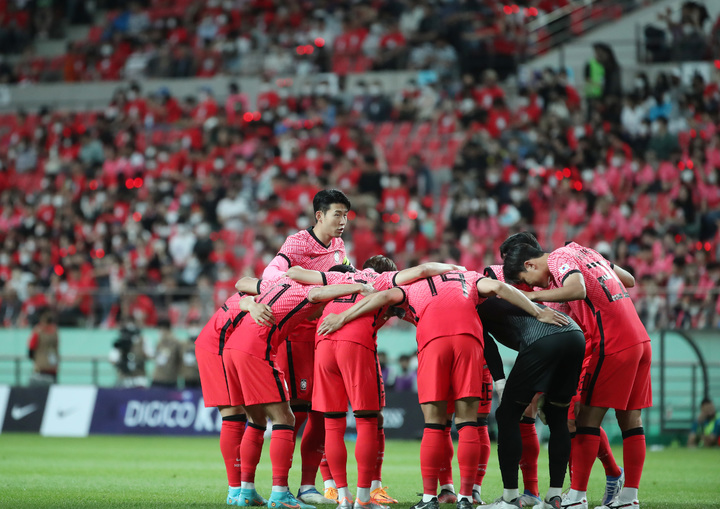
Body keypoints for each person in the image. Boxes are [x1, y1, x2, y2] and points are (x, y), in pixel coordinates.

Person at [317, 270, 568, 509]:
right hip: (469, 342)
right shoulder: (468, 277)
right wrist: (538, 312)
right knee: (469, 422)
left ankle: (430, 497)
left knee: (435, 424)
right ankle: (467, 496)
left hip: (433, 342)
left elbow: (383, 297)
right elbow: (499, 286)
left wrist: (342, 317)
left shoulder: (412, 286)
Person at [285, 256, 464, 509]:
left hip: (323, 343)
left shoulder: (342, 277)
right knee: (367, 421)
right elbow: (424, 269)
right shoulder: (382, 279)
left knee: (333, 425)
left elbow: (297, 274)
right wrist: (456, 268)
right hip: (356, 344)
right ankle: (363, 499)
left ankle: (343, 499)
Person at [503, 242, 652, 509]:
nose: (535, 286)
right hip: (639, 338)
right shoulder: (584, 251)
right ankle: (629, 499)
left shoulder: (559, 258)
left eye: (529, 281)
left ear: (530, 264)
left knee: (585, 421)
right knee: (631, 420)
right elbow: (628, 279)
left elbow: (578, 289)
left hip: (611, 340)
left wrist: (530, 300)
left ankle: (577, 497)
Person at [223, 273, 373, 509]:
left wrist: (251, 305)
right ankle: (280, 494)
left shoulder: (277, 284)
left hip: (233, 348)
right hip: (257, 347)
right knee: (285, 418)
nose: (317, 315)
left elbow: (241, 288)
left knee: (256, 420)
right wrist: (358, 287)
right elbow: (316, 294)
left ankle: (245, 491)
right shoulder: (305, 291)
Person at [261, 189, 357, 505]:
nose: (343, 221)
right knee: (297, 414)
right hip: (297, 336)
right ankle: (279, 488)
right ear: (319, 215)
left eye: (345, 215)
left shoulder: (339, 246)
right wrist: (304, 291)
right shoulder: (298, 242)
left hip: (324, 336)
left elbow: (344, 275)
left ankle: (307, 486)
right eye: (337, 214)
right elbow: (272, 274)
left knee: (321, 413)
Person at [474, 281, 585, 509]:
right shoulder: (503, 295)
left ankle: (510, 499)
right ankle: (554, 497)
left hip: (542, 340)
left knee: (507, 416)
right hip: (574, 335)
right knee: (557, 417)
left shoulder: (471, 304)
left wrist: (500, 382)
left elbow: (488, 345)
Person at [195, 277, 275, 506]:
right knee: (234, 417)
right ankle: (235, 490)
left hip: (222, 346)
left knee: (239, 417)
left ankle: (240, 488)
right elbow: (244, 301)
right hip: (216, 348)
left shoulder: (263, 295)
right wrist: (252, 304)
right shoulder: (255, 299)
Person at [27, 308, 59, 385]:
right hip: (52, 364)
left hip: (41, 365)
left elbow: (31, 347)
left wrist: (33, 357)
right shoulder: (55, 331)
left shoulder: (38, 331)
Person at [151, 319, 182, 389]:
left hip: (169, 380)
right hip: (157, 378)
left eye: (161, 330)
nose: (159, 332)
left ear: (166, 330)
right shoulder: (159, 342)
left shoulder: (176, 343)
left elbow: (179, 360)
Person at [180, 319, 202, 389]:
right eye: (192, 326)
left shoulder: (202, 344)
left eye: (195, 326)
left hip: (200, 377)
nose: (194, 328)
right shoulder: (184, 344)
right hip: (187, 376)